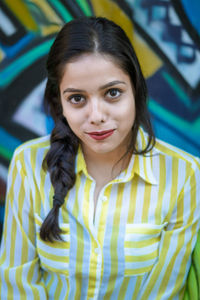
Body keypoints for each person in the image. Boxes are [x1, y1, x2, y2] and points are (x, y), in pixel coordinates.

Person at [0, 16, 199, 300]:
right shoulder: (29, 164)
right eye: (77, 99)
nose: (96, 116)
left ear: (136, 91)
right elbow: (17, 284)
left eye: (113, 93)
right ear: (60, 102)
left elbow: (162, 292)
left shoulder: (184, 175)